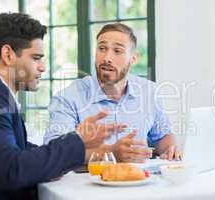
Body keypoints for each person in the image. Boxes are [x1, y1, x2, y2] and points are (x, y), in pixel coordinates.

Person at [0, 13, 125, 200]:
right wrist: (78, 139)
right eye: (36, 58)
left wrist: (95, 152)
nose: (43, 67)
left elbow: (20, 150)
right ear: (8, 54)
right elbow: (12, 170)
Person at [44, 23, 182, 163]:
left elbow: (162, 136)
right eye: (102, 48)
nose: (107, 58)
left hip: (139, 180)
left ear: (133, 59)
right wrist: (109, 154)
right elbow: (53, 153)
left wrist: (170, 149)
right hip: (86, 181)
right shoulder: (67, 97)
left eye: (117, 51)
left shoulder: (150, 92)